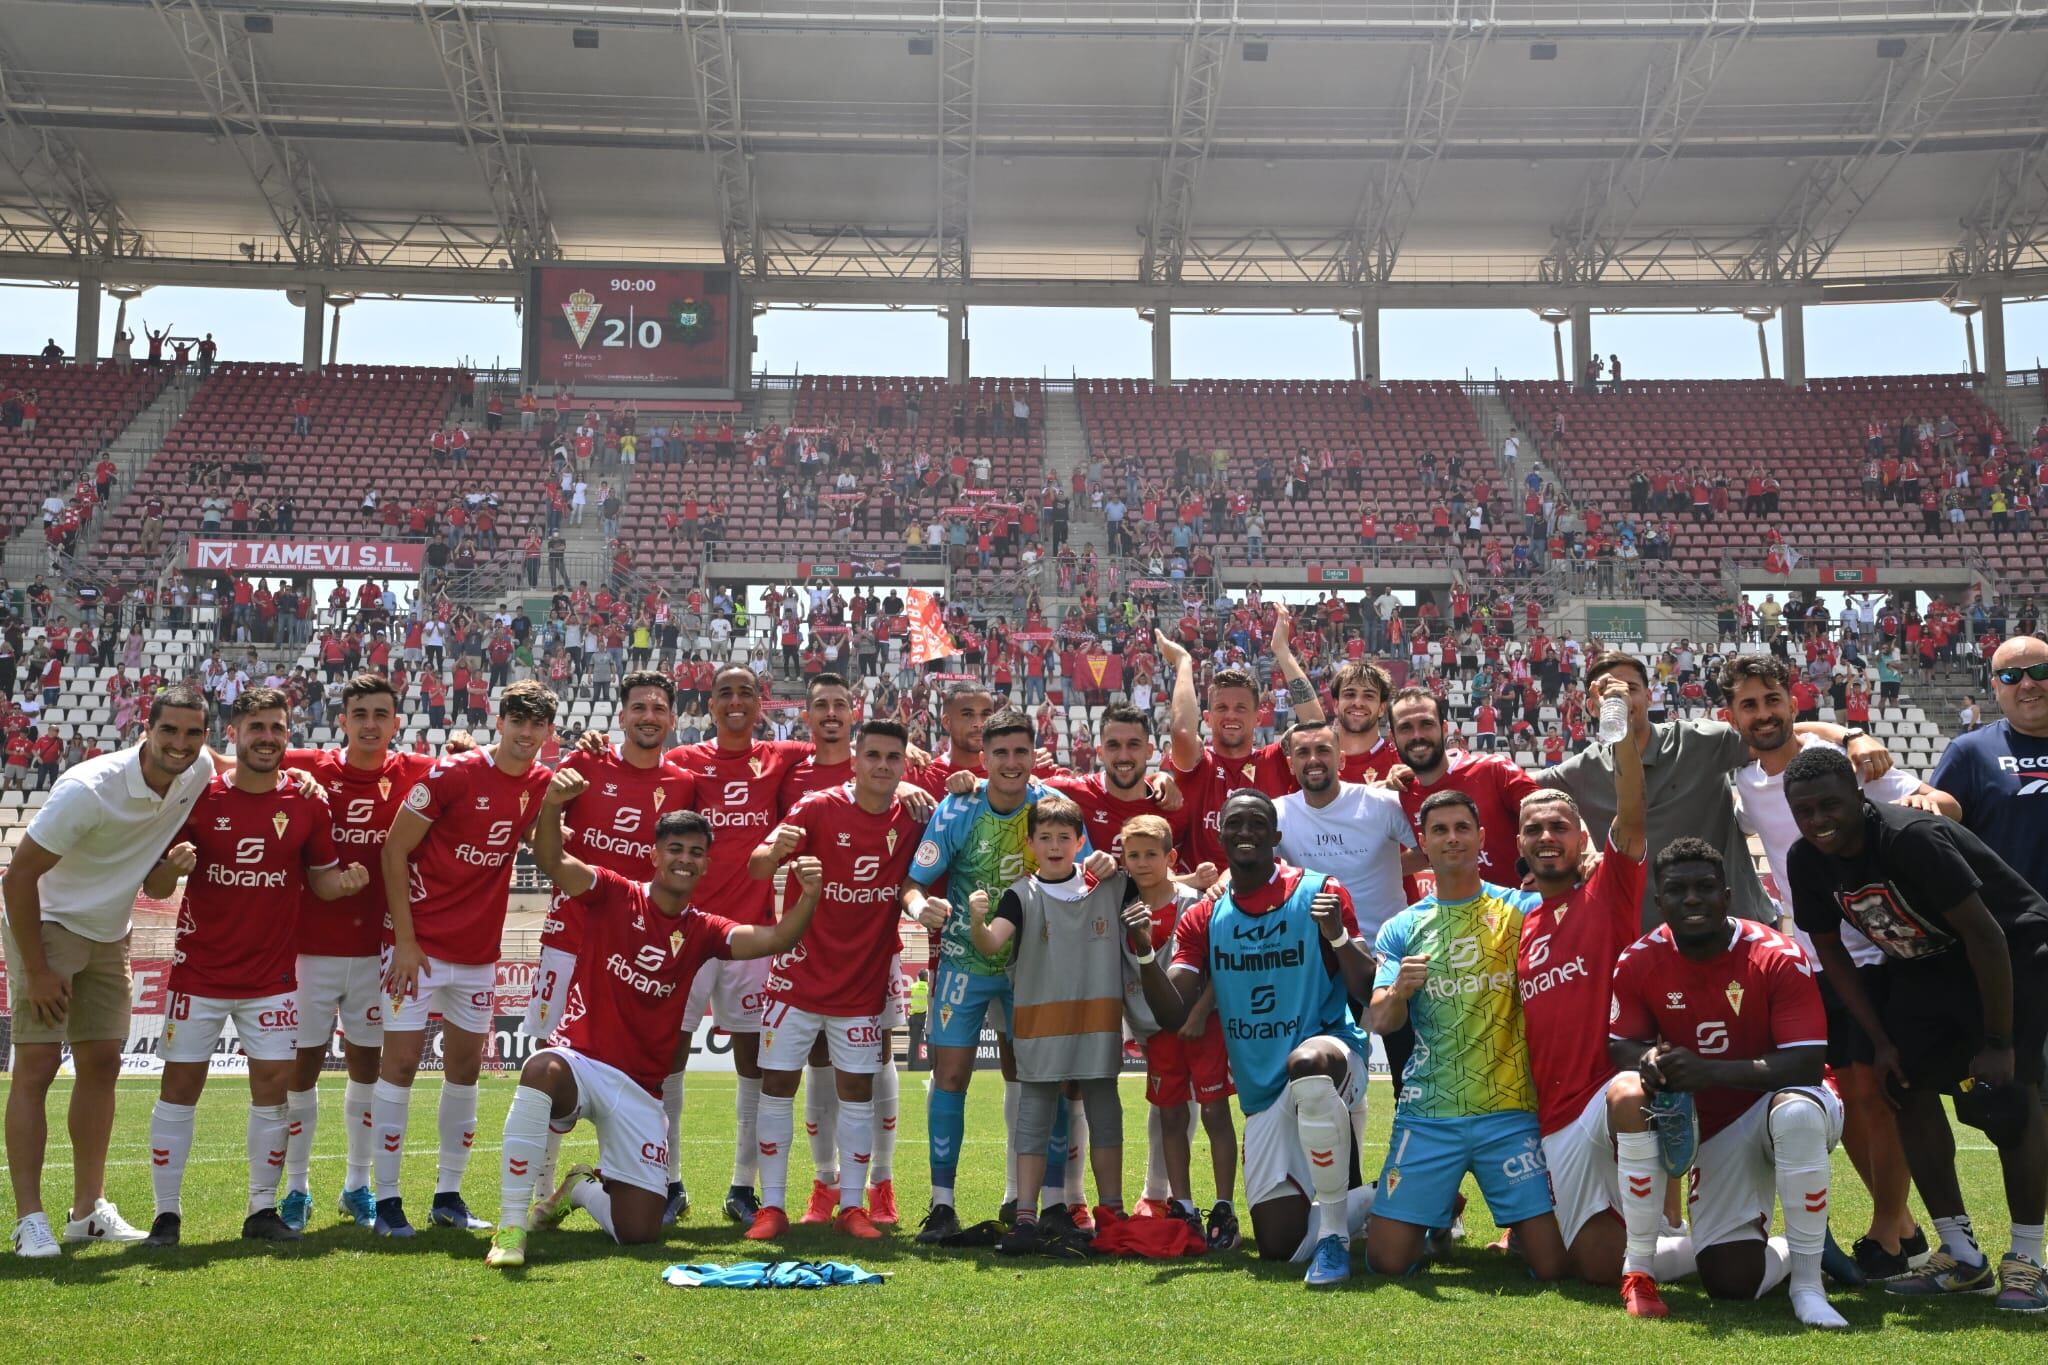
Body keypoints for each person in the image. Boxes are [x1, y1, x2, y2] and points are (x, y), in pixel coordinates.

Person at [485, 795, 823, 1269]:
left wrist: (807, 896)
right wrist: (552, 806)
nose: (685, 859)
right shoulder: (614, 891)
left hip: (642, 1090)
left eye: (695, 852)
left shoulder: (704, 930)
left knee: (640, 1232)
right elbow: (551, 859)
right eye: (675, 848)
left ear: (706, 864)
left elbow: (776, 938)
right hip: (581, 1062)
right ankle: (511, 1226)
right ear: (654, 854)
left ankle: (580, 1188)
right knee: (541, 1068)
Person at [1784, 744, 2048, 1311]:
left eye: (1830, 805)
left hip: (2012, 955)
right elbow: (1830, 951)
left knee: (2010, 1100)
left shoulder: (1910, 838)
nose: (1818, 821)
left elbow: (1988, 936)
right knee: (1902, 1083)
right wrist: (1880, 1040)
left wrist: (1999, 1043)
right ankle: (1961, 1255)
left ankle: (2027, 1261)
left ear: (1859, 797)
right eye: (1803, 811)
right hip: (1925, 963)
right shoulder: (1806, 859)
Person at [1721, 651, 1955, 1278]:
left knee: (1882, 1093)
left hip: (1885, 953)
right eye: (1749, 704)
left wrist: (1929, 801)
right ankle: (1898, 1227)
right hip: (1818, 958)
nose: (1763, 714)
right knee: (1849, 1097)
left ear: (1791, 699)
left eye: (1772, 699)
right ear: (1732, 715)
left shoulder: (1841, 763)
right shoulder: (1744, 782)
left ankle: (1886, 1228)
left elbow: (1936, 800)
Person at [133, 689, 367, 1248]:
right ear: (234, 732)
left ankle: (262, 1210)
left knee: (273, 1091)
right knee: (179, 1087)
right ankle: (166, 1216)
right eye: (256, 726)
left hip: (271, 980)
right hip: (200, 974)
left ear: (289, 734)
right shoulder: (200, 796)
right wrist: (172, 869)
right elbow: (156, 885)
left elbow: (323, 882)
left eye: (277, 728)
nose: (267, 737)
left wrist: (349, 884)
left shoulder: (308, 802)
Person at [3, 684, 216, 1259]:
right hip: (47, 925)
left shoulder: (196, 772)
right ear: (145, 728)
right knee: (38, 1066)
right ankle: (29, 1219)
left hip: (110, 931)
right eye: (169, 730)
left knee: (102, 1063)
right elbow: (16, 880)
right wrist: (39, 969)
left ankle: (87, 1211)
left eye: (193, 732)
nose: (180, 743)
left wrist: (305, 775)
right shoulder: (88, 789)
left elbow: (248, 761)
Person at [1608, 837, 1847, 1329]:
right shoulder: (1638, 961)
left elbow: (1805, 1062)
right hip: (1715, 1128)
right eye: (1677, 890)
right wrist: (1650, 1056)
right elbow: (1621, 1045)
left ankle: (1808, 1284)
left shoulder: (1777, 954)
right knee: (1731, 1282)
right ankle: (1784, 1247)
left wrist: (1709, 1071)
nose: (1692, 899)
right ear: (1659, 902)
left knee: (1797, 1111)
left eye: (1704, 887)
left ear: (1728, 895)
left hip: (1786, 1101)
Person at [1514, 674, 1683, 1309]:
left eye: (1561, 825)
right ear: (1522, 846)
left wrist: (1614, 719)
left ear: (1583, 838)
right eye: (1535, 830)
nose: (1548, 836)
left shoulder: (1608, 890)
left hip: (1605, 1096)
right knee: (1583, 1268)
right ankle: (1690, 1243)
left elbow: (1632, 808)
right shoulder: (1516, 921)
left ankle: (1655, 1259)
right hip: (1552, 1118)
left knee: (1631, 1088)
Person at [1164, 790, 1377, 1285]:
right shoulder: (1205, 916)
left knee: (1307, 1065)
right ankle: (1392, 1198)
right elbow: (1171, 1008)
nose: (1245, 833)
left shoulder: (1321, 891)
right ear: (1219, 838)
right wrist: (1137, 957)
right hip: (1262, 1094)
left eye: (1257, 825)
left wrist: (1337, 936)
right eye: (1235, 825)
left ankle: (1334, 1239)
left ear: (1277, 837)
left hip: (1330, 1058)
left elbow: (1366, 989)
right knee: (1279, 1247)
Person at [373, 680, 558, 1237]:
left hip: (477, 955)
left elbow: (552, 849)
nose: (526, 734)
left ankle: (448, 1196)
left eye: (537, 726)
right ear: (499, 722)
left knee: (464, 1070)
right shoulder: (453, 773)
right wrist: (405, 942)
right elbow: (394, 849)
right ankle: (386, 1200)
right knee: (401, 1066)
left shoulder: (543, 784)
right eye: (517, 722)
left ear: (548, 733)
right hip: (417, 950)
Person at [1534, 650, 1891, 927]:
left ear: (1649, 694)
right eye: (1609, 692)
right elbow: (1512, 797)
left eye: (1630, 689)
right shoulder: (1579, 771)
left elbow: (1775, 733)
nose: (1622, 698)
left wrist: (1851, 735)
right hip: (1646, 940)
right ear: (1592, 705)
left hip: (1739, 925)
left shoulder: (1700, 740)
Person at [1368, 790, 1568, 1281]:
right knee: (1386, 1262)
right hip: (1430, 1112)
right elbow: (1380, 1019)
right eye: (1439, 830)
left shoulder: (1523, 910)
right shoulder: (1402, 927)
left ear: (1480, 838)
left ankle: (1510, 1226)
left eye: (1462, 828)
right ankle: (1420, 1213)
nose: (1452, 838)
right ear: (1424, 841)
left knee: (1554, 1265)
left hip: (1510, 1111)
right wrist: (1398, 991)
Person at [966, 796, 1175, 1252]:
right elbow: (990, 943)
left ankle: (1111, 1213)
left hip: (1097, 1023)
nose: (1056, 846)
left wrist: (1192, 879)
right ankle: (1026, 1216)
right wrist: (977, 921)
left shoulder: (1110, 884)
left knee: (1106, 1115)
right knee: (1033, 1117)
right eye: (1046, 838)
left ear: (1081, 841)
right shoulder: (1021, 895)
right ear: (1031, 844)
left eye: (1065, 837)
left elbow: (1161, 885)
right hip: (1039, 1026)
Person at [523, 672, 695, 1220]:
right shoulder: (583, 766)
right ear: (620, 716)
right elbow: (538, 840)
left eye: (660, 707)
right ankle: (540, 1193)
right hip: (570, 941)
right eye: (639, 706)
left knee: (656, 1065)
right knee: (550, 1064)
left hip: (640, 955)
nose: (649, 715)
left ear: (672, 719)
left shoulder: (686, 783)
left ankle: (666, 1182)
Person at [743, 720, 923, 1243]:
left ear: (904, 766)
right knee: (776, 1087)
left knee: (857, 1093)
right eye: (873, 755)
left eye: (893, 757)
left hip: (860, 988)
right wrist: (776, 850)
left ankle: (852, 1205)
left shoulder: (913, 815)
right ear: (854, 759)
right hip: (795, 979)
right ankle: (771, 1207)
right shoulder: (818, 808)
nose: (883, 766)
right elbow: (757, 867)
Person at [908, 709, 1080, 1243]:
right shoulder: (957, 806)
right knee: (951, 1077)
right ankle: (942, 1205)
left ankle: (1048, 1203)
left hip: (1032, 969)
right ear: (983, 758)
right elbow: (914, 883)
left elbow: (1084, 871)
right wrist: (921, 911)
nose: (1011, 763)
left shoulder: (1050, 806)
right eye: (1000, 753)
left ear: (1034, 755)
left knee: (1037, 1079)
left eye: (1020, 752)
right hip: (965, 962)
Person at [277, 674, 440, 1231]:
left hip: (380, 954)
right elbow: (229, 760)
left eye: (381, 714)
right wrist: (283, 770)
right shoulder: (308, 766)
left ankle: (357, 1185)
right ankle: (296, 1190)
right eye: (359, 714)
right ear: (341, 720)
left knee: (366, 1071)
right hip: (309, 951)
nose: (370, 724)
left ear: (397, 722)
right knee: (300, 1071)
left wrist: (470, 748)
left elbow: (481, 768)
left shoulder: (418, 773)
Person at [663, 663, 811, 1224]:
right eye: (724, 692)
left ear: (759, 703)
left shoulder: (781, 757)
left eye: (745, 692)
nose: (735, 701)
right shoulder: (683, 761)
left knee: (755, 1064)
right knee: (669, 1059)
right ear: (709, 703)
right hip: (688, 933)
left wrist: (917, 763)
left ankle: (741, 1187)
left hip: (751, 938)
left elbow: (839, 749)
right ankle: (668, 1180)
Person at [1120, 814, 1238, 1249]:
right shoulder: (1124, 910)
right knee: (1171, 1115)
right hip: (1159, 1035)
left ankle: (1224, 1206)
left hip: (1202, 1027)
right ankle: (1183, 1206)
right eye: (1134, 855)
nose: (1142, 862)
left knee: (1214, 1113)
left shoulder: (1197, 903)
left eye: (1152, 854)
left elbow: (1218, 965)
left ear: (1171, 857)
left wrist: (1199, 1011)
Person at [1159, 612, 1324, 872]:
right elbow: (1180, 731)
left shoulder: (1275, 760)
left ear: (1258, 718)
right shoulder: (1198, 762)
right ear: (1207, 717)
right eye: (1222, 707)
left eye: (1241, 708)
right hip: (1204, 897)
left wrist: (1281, 650)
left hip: (1268, 896)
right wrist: (1183, 662)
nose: (1231, 715)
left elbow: (1316, 726)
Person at [1932, 634, 2048, 898]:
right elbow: (1936, 838)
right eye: (2011, 676)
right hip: (2017, 930)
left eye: (2040, 671)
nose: (2028, 684)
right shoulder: (1969, 752)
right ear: (1996, 687)